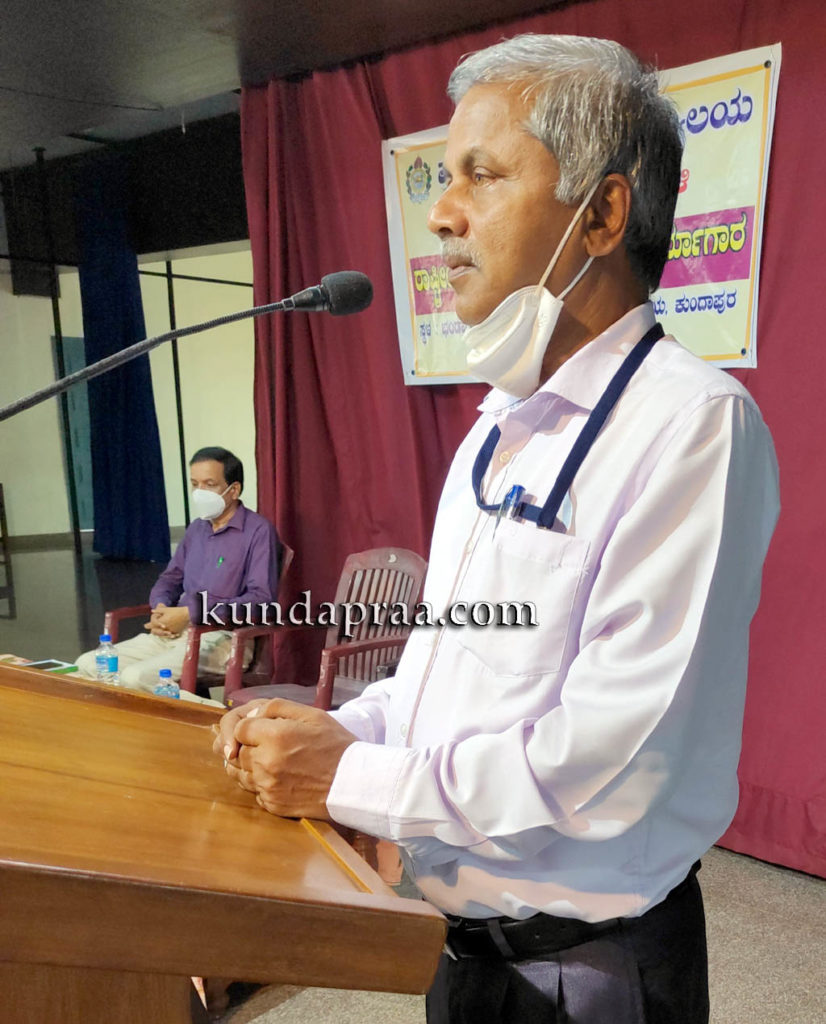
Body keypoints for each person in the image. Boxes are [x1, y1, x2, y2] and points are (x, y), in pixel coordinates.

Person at [214, 35, 780, 1023]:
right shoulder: (497, 426)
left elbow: (605, 765)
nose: (440, 212)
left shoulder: (693, 427)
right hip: (462, 946)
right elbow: (447, 673)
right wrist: (342, 730)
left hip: (586, 972)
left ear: (601, 214)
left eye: (482, 174)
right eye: (443, 177)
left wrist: (349, 776)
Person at [77, 447, 281, 693]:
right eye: (195, 484)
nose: (199, 492)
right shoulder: (197, 529)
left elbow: (260, 600)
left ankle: (205, 714)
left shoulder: (258, 531)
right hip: (172, 633)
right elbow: (170, 579)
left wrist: (189, 613)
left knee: (135, 678)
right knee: (89, 665)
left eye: (209, 484)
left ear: (234, 490)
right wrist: (161, 609)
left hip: (223, 638)